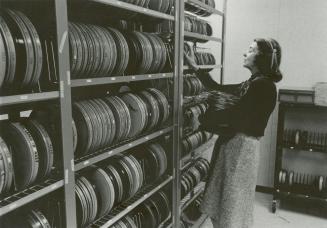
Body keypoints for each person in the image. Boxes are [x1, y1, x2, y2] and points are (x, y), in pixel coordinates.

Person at [184, 38, 283, 228]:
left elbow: (234, 117)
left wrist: (202, 121)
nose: (245, 53)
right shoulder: (254, 82)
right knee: (222, 205)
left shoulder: (263, 86)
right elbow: (219, 90)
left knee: (232, 209)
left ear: (261, 58)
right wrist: (195, 67)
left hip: (241, 151)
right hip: (233, 147)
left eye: (251, 50)